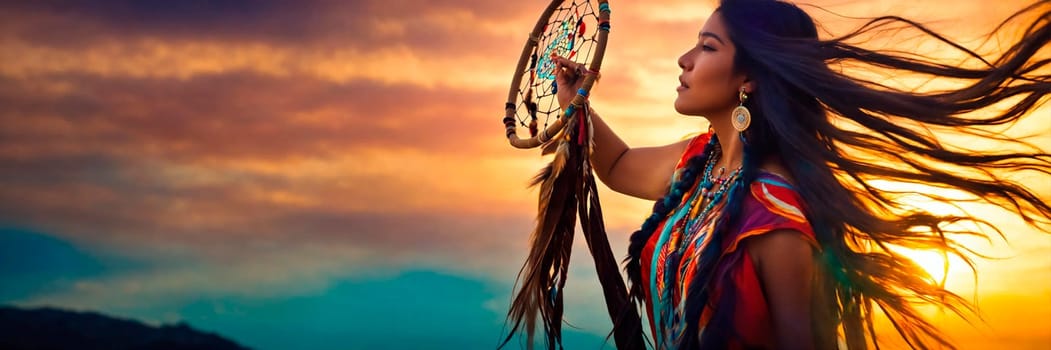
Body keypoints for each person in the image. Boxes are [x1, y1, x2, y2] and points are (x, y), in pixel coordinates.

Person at [541, 0, 1051, 349]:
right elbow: (617, 165)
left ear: (751, 78)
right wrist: (574, 103)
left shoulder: (775, 219)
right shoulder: (699, 163)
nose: (685, 59)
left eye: (708, 47)